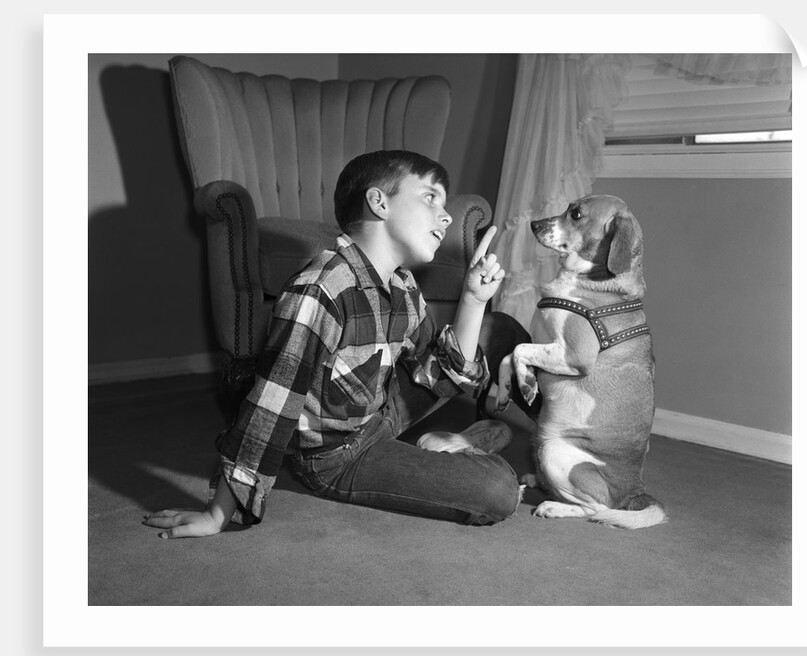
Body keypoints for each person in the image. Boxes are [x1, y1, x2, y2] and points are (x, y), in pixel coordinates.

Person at [143, 150, 525, 539]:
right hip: (337, 456)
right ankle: (462, 446)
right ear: (379, 202)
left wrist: (473, 299)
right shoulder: (321, 289)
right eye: (431, 198)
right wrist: (217, 514)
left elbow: (439, 372)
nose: (446, 217)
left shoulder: (403, 284)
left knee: (500, 328)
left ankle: (480, 441)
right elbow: (272, 404)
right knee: (498, 491)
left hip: (380, 411)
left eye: (444, 205)